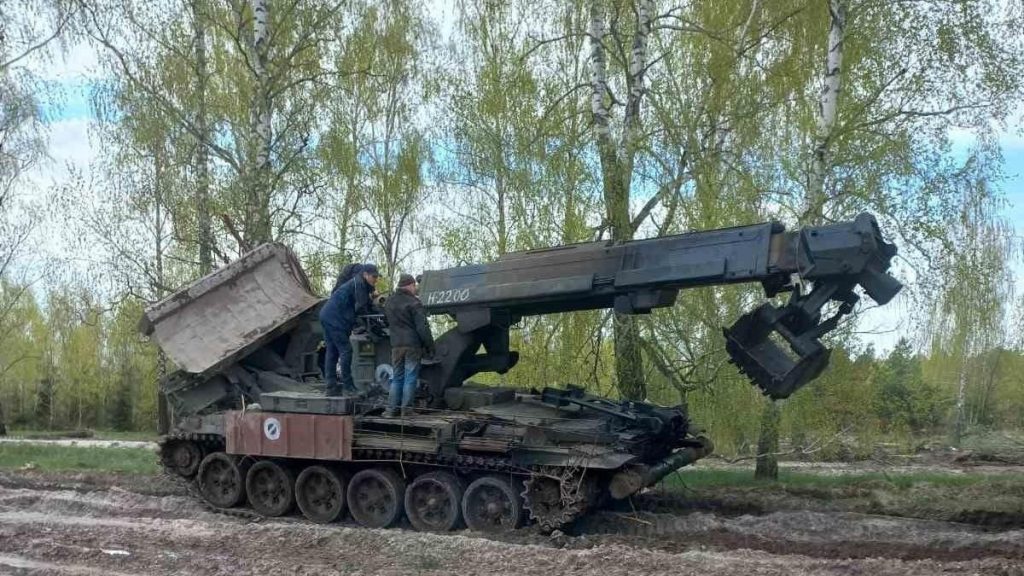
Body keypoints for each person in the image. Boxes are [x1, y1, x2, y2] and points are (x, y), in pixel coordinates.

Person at [319, 263, 380, 395]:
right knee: (346, 350)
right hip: (335, 318)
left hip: (327, 314)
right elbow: (361, 307)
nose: (376, 279)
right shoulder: (359, 285)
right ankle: (348, 386)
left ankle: (331, 386)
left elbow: (364, 305)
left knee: (332, 351)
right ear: (365, 275)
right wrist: (371, 325)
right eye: (374, 276)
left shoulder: (358, 284)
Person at [384, 273, 434, 416]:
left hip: (396, 345)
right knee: (410, 377)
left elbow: (388, 323)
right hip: (412, 345)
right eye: (414, 286)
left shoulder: (389, 302)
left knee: (397, 377)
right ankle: (406, 410)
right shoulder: (414, 303)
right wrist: (430, 346)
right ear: (410, 285)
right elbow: (422, 327)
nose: (415, 289)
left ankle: (391, 409)